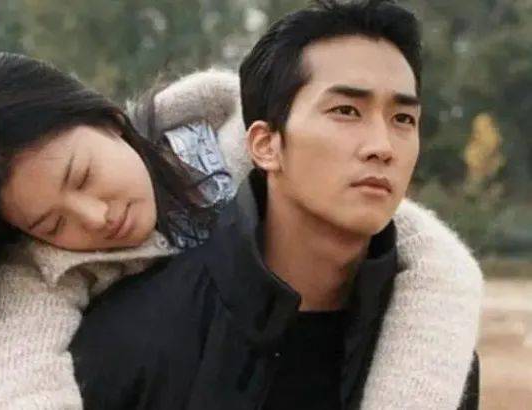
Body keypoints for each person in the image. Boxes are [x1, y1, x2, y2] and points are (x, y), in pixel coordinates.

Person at [0, 10, 480, 410]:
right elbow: (16, 381)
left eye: (83, 176)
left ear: (109, 121)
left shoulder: (232, 148)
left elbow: (431, 257)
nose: (95, 218)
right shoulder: (46, 281)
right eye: (53, 224)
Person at [70, 1, 482, 409]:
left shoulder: (430, 357)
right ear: (265, 145)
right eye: (346, 111)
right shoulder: (133, 338)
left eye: (403, 119)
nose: (382, 146)